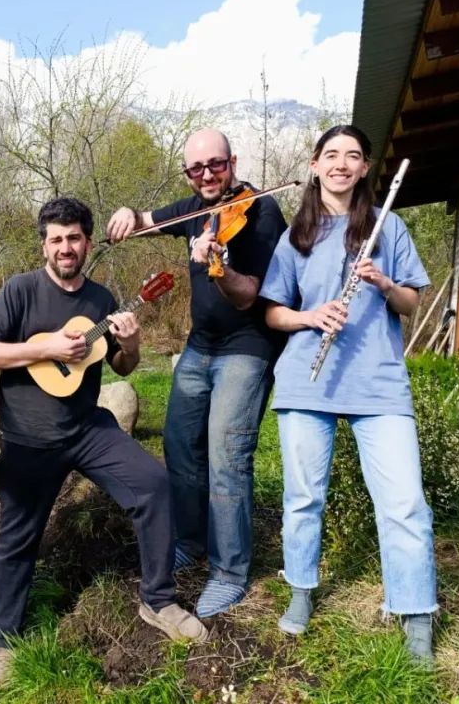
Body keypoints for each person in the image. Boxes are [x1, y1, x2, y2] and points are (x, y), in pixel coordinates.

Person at [0, 196, 206, 688]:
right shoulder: (19, 291)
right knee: (18, 538)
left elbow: (121, 367)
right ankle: (6, 638)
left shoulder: (102, 300)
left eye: (73, 237)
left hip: (87, 428)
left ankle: (157, 600)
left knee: (154, 485)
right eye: (55, 239)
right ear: (44, 246)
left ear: (88, 241)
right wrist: (44, 347)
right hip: (28, 438)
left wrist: (133, 343)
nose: (65, 247)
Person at [258, 124, 437, 665]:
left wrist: (383, 284)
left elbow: (410, 304)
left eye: (352, 156)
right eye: (331, 155)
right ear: (314, 166)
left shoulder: (391, 226)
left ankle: (415, 612)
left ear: (364, 169)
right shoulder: (295, 237)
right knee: (303, 498)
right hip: (305, 382)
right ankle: (302, 592)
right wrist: (312, 316)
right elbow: (272, 312)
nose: (341, 164)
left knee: (404, 503)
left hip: (378, 383)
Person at [105, 129, 287, 617]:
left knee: (228, 456)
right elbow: (145, 221)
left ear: (232, 161)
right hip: (199, 347)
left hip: (247, 347)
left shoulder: (262, 212)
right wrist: (128, 214)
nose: (207, 174)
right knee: (181, 445)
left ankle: (230, 571)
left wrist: (218, 267)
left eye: (216, 164)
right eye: (196, 168)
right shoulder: (193, 208)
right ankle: (190, 539)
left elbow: (250, 295)